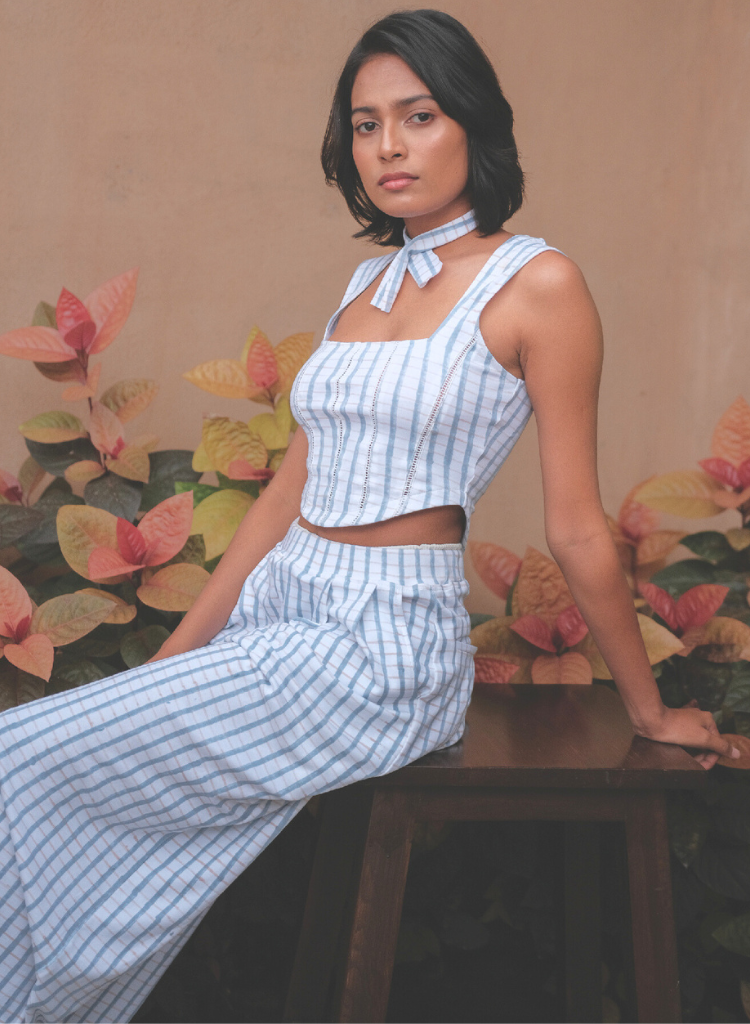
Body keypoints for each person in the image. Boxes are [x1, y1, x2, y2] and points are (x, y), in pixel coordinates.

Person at [0, 8, 738, 1023]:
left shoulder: (541, 285)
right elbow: (286, 494)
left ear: (474, 122)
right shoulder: (367, 281)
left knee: (20, 760)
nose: (388, 145)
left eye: (418, 115)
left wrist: (649, 712)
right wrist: (173, 659)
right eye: (365, 124)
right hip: (284, 604)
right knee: (49, 772)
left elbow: (574, 526)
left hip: (381, 646)